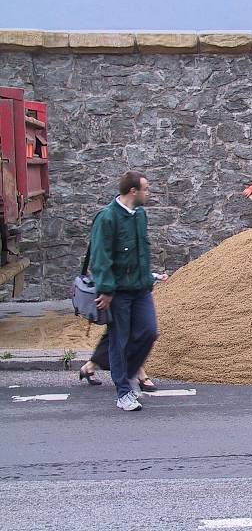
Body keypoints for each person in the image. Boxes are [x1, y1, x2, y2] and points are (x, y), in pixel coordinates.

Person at [90, 171, 160, 412]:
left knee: (149, 331)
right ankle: (123, 392)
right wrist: (106, 289)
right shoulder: (107, 218)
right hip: (118, 292)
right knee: (119, 341)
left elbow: (141, 253)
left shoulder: (140, 215)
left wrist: (149, 277)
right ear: (133, 191)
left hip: (141, 288)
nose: (148, 193)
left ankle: (129, 374)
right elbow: (101, 257)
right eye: (146, 189)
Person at [79, 273, 168, 389]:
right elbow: (120, 265)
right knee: (130, 333)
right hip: (115, 290)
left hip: (126, 289)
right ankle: (138, 375)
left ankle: (89, 367)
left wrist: (153, 276)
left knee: (118, 334)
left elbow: (133, 263)